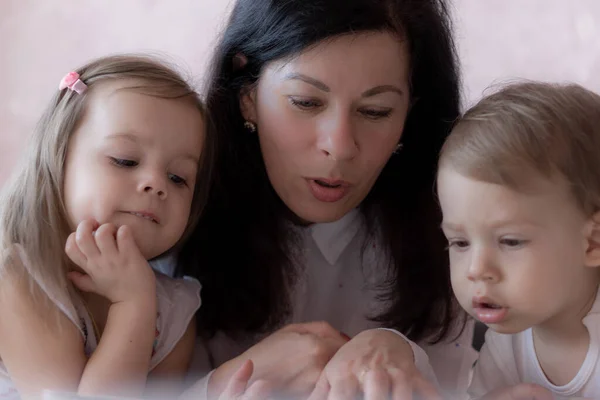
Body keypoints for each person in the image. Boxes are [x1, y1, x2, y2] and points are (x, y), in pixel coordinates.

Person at [176, 0, 478, 398]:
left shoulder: (451, 232)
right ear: (247, 93)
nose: (339, 147)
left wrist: (403, 354)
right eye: (306, 102)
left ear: (410, 113)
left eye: (375, 111)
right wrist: (230, 381)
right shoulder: (171, 211)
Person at [0, 54, 214, 399]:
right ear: (57, 158)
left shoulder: (176, 311)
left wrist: (141, 300)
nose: (156, 184)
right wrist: (133, 305)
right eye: (125, 160)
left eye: (178, 178)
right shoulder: (19, 279)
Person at [437, 82, 600, 399]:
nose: (477, 269)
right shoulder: (507, 341)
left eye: (510, 242)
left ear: (593, 242)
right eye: (459, 243)